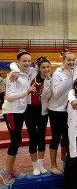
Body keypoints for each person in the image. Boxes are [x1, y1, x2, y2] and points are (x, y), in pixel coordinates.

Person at [0, 50, 36, 185]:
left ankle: (9, 169)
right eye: (24, 61)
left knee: (17, 140)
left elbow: (38, 65)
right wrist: (26, 92)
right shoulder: (12, 76)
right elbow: (9, 96)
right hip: (11, 111)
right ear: (18, 62)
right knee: (15, 140)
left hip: (20, 111)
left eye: (29, 61)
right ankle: (5, 170)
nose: (27, 63)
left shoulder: (27, 73)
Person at [48, 50, 75, 175]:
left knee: (67, 136)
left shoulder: (72, 71)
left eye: (73, 60)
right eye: (68, 60)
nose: (71, 62)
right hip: (56, 110)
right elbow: (57, 93)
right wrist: (68, 78)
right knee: (56, 137)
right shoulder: (57, 74)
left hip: (67, 109)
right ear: (63, 61)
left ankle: (65, 159)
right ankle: (53, 165)